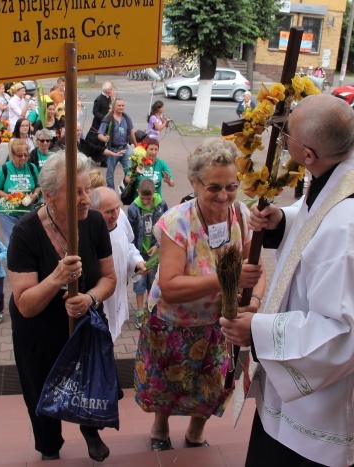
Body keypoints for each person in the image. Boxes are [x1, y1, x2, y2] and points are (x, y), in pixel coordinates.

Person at [219, 94, 354, 467]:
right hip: (324, 391)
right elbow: (320, 214)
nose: (282, 141)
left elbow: (342, 333)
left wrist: (258, 332)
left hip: (326, 408)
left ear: (308, 155)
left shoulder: (351, 234)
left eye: (288, 136)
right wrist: (283, 222)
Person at [134, 138, 266, 452]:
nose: (224, 196)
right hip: (172, 321)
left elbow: (255, 270)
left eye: (231, 186)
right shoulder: (177, 222)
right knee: (166, 381)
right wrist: (225, 279)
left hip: (219, 323)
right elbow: (170, 286)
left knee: (213, 383)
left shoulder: (241, 216)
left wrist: (255, 303)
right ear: (195, 183)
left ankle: (195, 432)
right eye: (214, 188)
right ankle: (161, 427)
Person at [7, 151, 117, 462]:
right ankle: (50, 446)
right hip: (38, 335)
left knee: (88, 384)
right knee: (41, 396)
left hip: (82, 329)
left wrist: (89, 299)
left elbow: (108, 278)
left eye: (87, 189)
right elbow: (25, 304)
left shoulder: (94, 223)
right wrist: (57, 278)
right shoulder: (25, 233)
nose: (86, 199)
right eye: (76, 192)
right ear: (50, 197)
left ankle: (89, 429)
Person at [91, 187, 146, 341]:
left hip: (118, 293)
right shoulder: (88, 230)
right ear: (94, 211)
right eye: (109, 211)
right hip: (99, 300)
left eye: (117, 208)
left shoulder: (120, 217)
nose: (115, 215)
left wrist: (137, 263)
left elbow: (128, 244)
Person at [128, 178, 168, 312]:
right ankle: (140, 311)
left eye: (148, 198)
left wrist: (157, 245)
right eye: (142, 198)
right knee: (139, 282)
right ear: (138, 192)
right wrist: (133, 253)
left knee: (153, 281)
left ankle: (151, 309)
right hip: (139, 252)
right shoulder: (133, 207)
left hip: (154, 252)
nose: (145, 201)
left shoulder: (162, 205)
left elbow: (165, 227)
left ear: (154, 193)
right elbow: (131, 232)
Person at [0, 139, 41, 244]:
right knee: (13, 240)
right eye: (19, 155)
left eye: (25, 155)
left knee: (28, 239)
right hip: (7, 211)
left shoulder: (32, 168)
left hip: (27, 210)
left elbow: (38, 186)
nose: (23, 158)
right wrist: (10, 197)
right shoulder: (4, 169)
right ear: (12, 155)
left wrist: (34, 196)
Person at [98, 97, 135, 189]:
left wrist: (137, 145)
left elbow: (131, 132)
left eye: (122, 105)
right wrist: (105, 139)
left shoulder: (126, 118)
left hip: (124, 149)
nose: (121, 107)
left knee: (130, 172)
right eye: (119, 105)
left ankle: (126, 191)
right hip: (112, 150)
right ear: (114, 107)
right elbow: (99, 135)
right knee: (110, 175)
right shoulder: (108, 118)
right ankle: (111, 192)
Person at [85, 81, 113, 165]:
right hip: (97, 124)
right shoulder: (98, 99)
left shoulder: (109, 98)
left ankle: (103, 160)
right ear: (106, 90)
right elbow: (95, 112)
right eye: (110, 88)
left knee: (103, 142)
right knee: (93, 141)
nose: (112, 90)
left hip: (106, 124)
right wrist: (104, 118)